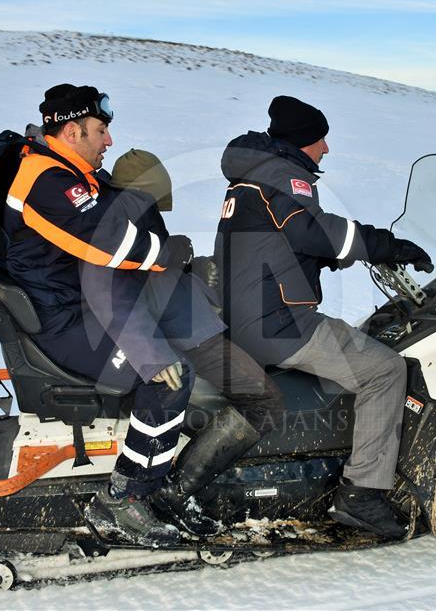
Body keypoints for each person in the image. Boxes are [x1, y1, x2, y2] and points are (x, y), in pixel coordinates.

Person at [214, 96, 433, 539]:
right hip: (277, 323)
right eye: (320, 139)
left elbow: (281, 241)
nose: (326, 149)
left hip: (249, 314)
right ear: (302, 142)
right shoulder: (283, 176)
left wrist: (329, 260)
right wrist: (387, 245)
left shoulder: (250, 177)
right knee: (386, 369)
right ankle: (363, 493)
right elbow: (316, 230)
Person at [3, 84, 195, 547]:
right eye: (101, 130)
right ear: (72, 131)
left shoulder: (68, 171)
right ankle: (126, 497)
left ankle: (166, 470)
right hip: (65, 320)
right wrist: (165, 253)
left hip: (83, 304)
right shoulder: (45, 180)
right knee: (168, 377)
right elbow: (106, 241)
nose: (108, 141)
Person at [80, 149, 284, 535]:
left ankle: (170, 490)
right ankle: (174, 494)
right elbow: (119, 288)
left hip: (187, 325)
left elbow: (151, 273)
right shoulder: (134, 212)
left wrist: (190, 263)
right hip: (190, 334)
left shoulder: (122, 213)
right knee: (265, 400)